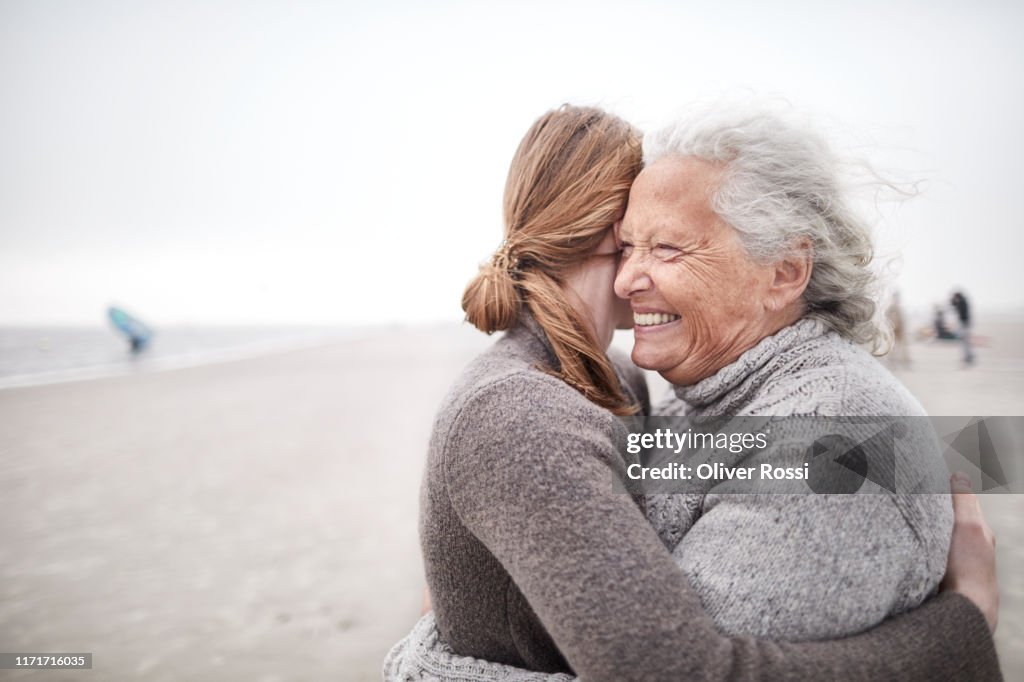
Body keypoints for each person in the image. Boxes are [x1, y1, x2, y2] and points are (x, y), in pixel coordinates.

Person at [383, 105, 1002, 680]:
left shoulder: (824, 423)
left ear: (785, 273)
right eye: (626, 247)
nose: (628, 279)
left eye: (667, 248)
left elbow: (681, 671)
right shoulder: (681, 393)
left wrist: (432, 665)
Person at [952, 290, 976, 365]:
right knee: (966, 341)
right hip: (965, 323)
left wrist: (954, 302)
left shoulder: (961, 302)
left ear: (957, 297)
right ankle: (969, 355)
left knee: (964, 341)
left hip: (963, 324)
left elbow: (956, 308)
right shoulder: (964, 301)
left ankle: (967, 356)